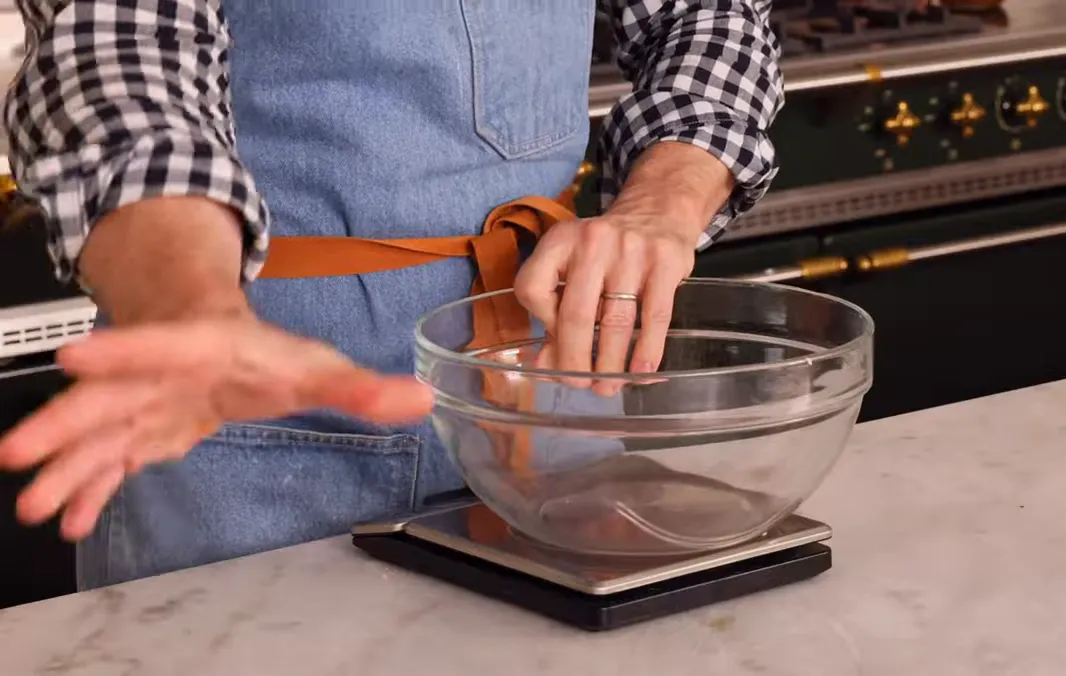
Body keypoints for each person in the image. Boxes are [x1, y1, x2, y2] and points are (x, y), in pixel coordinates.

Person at [0, 0, 782, 589]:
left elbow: (711, 17)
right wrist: (190, 305)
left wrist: (662, 201)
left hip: (549, 408)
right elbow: (120, 64)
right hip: (252, 450)